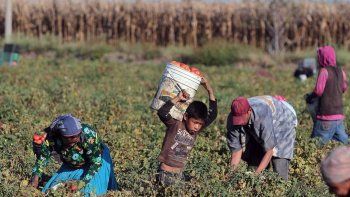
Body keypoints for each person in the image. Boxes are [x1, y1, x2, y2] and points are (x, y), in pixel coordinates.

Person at [29, 114, 118, 196]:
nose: (76, 139)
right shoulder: (52, 138)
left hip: (97, 161)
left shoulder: (88, 134)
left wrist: (81, 183)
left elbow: (96, 163)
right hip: (72, 164)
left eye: (77, 135)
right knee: (49, 190)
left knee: (91, 192)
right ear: (61, 135)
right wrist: (35, 178)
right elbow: (43, 158)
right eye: (70, 137)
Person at [156, 77, 217, 186]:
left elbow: (213, 114)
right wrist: (178, 98)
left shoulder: (196, 130)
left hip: (179, 175)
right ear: (186, 116)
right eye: (195, 122)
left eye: (200, 124)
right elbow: (162, 112)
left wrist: (208, 88)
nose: (197, 127)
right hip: (165, 174)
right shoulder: (175, 124)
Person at [227, 95, 297, 180]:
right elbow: (236, 151)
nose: (239, 122)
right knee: (255, 155)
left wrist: (256, 175)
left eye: (241, 118)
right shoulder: (233, 119)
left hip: (283, 120)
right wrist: (231, 175)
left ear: (249, 111)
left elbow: (269, 150)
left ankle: (281, 187)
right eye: (237, 119)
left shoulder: (261, 115)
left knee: (279, 162)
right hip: (260, 120)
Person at [306, 46, 349, 145]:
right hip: (338, 117)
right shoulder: (341, 71)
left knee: (315, 146)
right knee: (344, 144)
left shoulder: (324, 71)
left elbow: (318, 91)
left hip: (326, 117)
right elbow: (344, 88)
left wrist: (310, 97)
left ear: (323, 57)